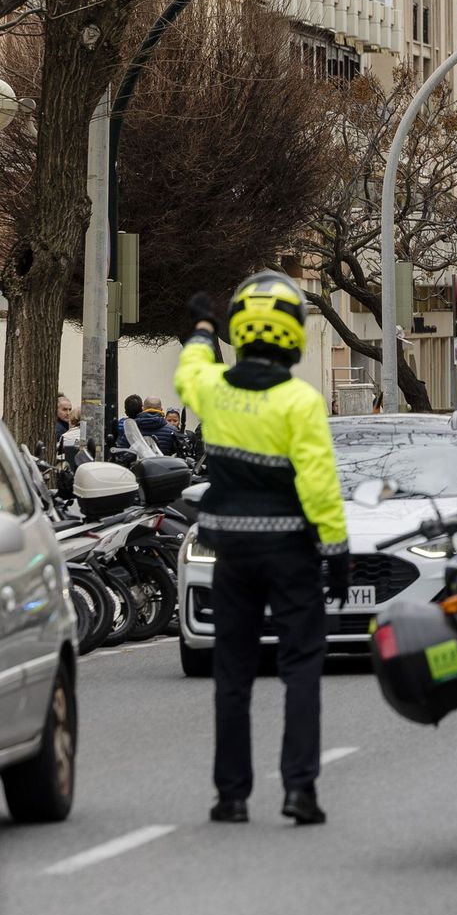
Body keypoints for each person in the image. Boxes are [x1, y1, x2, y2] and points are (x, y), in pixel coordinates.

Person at [176, 273, 349, 826]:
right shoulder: (300, 401)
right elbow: (318, 482)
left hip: (230, 555)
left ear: (242, 333)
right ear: (293, 336)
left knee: (233, 674)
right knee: (301, 668)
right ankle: (300, 790)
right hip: (290, 554)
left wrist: (204, 328)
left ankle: (231, 796)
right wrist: (336, 548)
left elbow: (190, 372)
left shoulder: (216, 391)